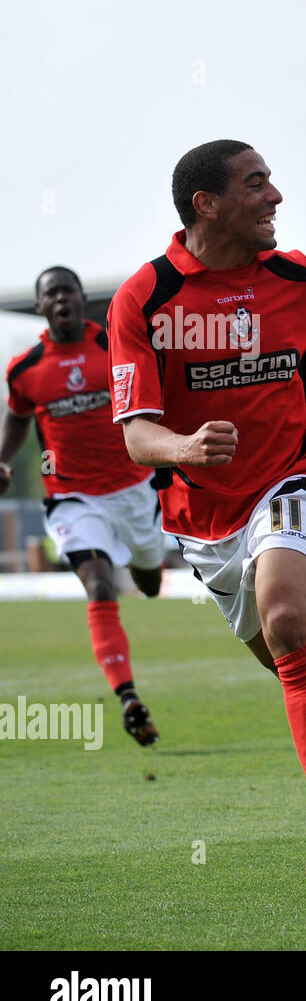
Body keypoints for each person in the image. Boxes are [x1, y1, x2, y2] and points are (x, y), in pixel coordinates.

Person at [107, 140, 306, 887]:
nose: (275, 196)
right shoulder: (144, 299)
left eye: (271, 182)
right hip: (201, 512)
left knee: (283, 617)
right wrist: (182, 446)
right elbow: (136, 434)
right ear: (206, 205)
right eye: (256, 184)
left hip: (295, 471)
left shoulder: (301, 278)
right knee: (292, 657)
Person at [1, 266, 166, 745]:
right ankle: (129, 697)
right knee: (98, 585)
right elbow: (16, 417)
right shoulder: (25, 369)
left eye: (67, 291)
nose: (60, 300)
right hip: (71, 497)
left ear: (80, 298)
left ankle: (144, 566)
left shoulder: (114, 347)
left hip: (134, 490)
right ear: (40, 306)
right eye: (50, 294)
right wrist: (3, 461)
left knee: (150, 582)